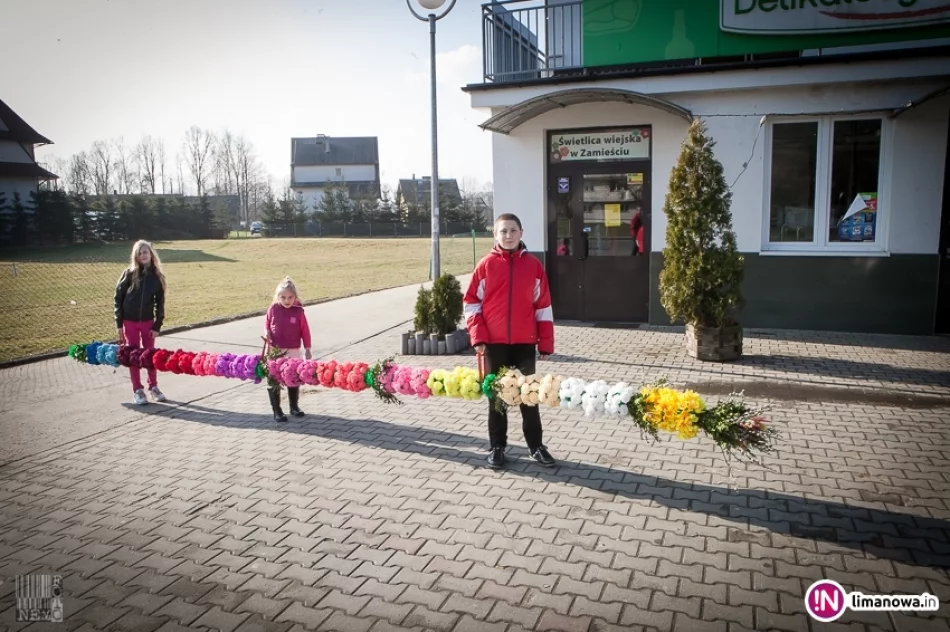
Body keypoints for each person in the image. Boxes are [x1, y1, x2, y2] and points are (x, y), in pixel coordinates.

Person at [464, 213, 556, 469]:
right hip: (494, 344)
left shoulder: (534, 266)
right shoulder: (485, 266)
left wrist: (545, 343)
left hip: (525, 344)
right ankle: (497, 447)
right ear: (495, 234)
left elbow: (543, 306)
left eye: (513, 230)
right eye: (503, 231)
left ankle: (536, 447)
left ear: (521, 233)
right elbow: (471, 304)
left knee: (529, 397)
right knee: (497, 400)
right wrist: (479, 338)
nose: (508, 235)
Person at [114, 240, 167, 405]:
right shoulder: (128, 274)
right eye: (140, 253)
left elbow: (160, 304)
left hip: (148, 323)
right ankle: (137, 390)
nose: (143, 255)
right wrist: (119, 325)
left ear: (151, 254)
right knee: (134, 356)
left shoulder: (156, 277)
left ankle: (154, 387)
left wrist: (157, 325)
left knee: (150, 355)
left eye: (145, 252)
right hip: (129, 322)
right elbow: (118, 299)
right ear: (135, 256)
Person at [265, 277, 312, 422]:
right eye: (283, 297)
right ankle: (277, 410)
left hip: (293, 349)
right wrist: (267, 332)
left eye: (290, 297)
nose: (287, 301)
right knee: (274, 378)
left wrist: (308, 348)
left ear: (295, 297)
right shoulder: (273, 308)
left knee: (293, 377)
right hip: (275, 349)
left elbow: (305, 331)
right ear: (277, 297)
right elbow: (267, 323)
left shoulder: (298, 311)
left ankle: (294, 406)